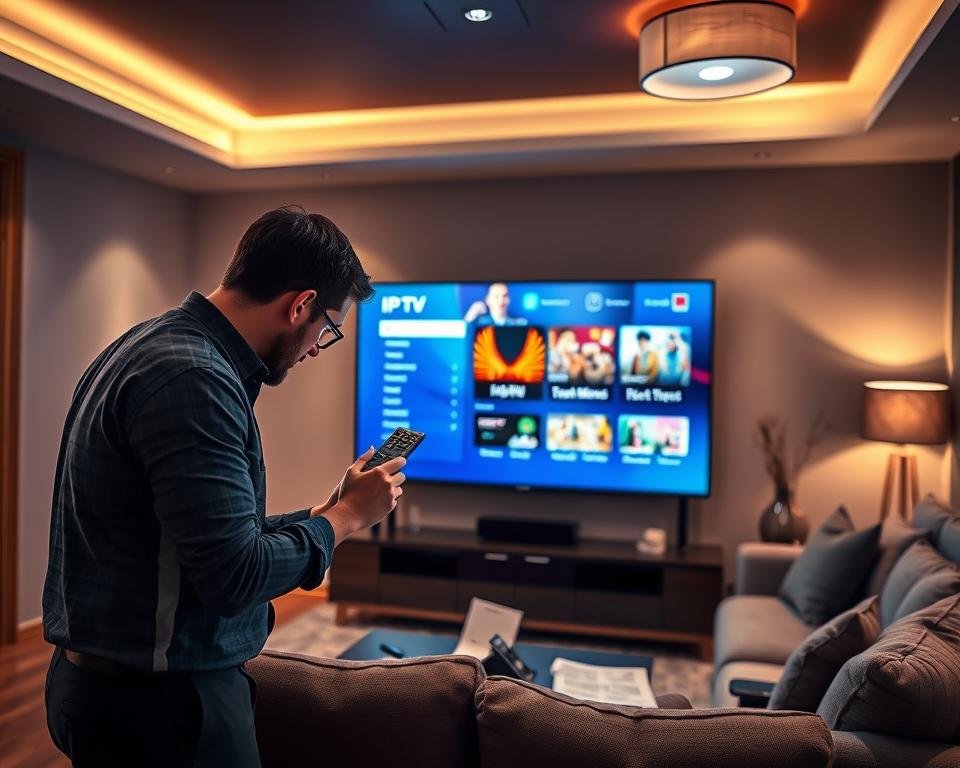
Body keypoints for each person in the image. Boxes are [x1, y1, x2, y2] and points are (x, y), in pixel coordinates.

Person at [42, 206, 406, 767]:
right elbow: (236, 578)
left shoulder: (148, 344)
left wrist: (324, 511)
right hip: (160, 706)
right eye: (329, 328)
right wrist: (349, 519)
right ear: (301, 305)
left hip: (110, 687)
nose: (317, 346)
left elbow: (200, 538)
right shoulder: (196, 379)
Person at [463, 282, 527, 326]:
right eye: (496, 297)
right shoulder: (479, 323)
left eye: (504, 296)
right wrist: (469, 317)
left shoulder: (518, 324)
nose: (501, 301)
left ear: (509, 300)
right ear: (487, 300)